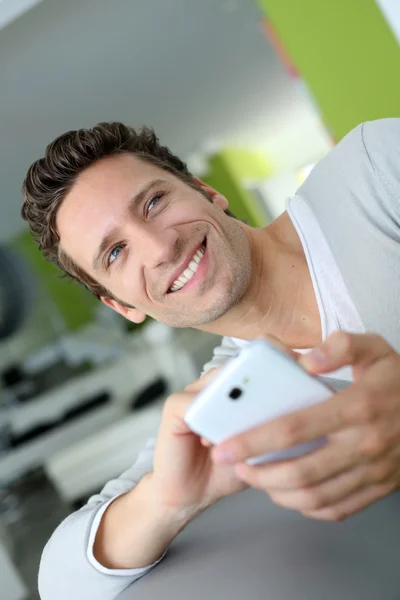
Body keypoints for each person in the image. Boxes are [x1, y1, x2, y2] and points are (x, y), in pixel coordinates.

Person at [22, 118, 400, 600]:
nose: (161, 247)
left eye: (154, 203)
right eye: (116, 252)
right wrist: (169, 501)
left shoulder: (374, 171)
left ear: (206, 190)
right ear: (122, 306)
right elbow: (61, 584)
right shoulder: (227, 398)